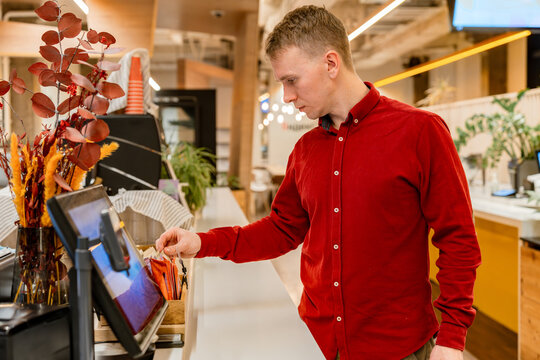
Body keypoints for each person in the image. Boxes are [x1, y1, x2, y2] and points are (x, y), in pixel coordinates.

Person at [156, 5, 481, 360]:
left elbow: (459, 239)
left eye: (291, 80)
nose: (287, 96)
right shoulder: (307, 149)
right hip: (316, 340)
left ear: (330, 63)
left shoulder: (420, 132)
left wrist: (452, 336)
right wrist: (200, 242)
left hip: (396, 347)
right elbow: (281, 229)